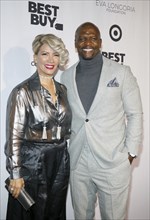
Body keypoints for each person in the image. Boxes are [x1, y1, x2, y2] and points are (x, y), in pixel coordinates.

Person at [61, 22, 143, 220]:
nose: (87, 42)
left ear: (100, 42)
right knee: (81, 216)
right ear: (75, 43)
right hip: (79, 161)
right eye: (82, 38)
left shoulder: (121, 72)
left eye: (92, 37)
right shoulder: (66, 76)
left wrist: (130, 153)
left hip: (113, 162)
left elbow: (135, 114)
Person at [5, 33, 72, 220]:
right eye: (45, 54)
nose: (51, 60)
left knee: (55, 211)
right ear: (35, 57)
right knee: (30, 213)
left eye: (56, 54)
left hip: (60, 159)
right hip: (33, 160)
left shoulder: (63, 90)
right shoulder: (22, 91)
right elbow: (14, 136)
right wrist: (16, 173)